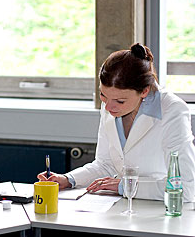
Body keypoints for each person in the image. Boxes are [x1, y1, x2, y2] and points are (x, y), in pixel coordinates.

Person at [37, 43, 195, 202]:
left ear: (144, 91)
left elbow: (186, 187)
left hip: (162, 211)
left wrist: (124, 186)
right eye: (103, 95)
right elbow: (105, 165)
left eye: (120, 101)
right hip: (121, 208)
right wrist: (68, 179)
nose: (108, 106)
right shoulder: (110, 106)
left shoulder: (172, 110)